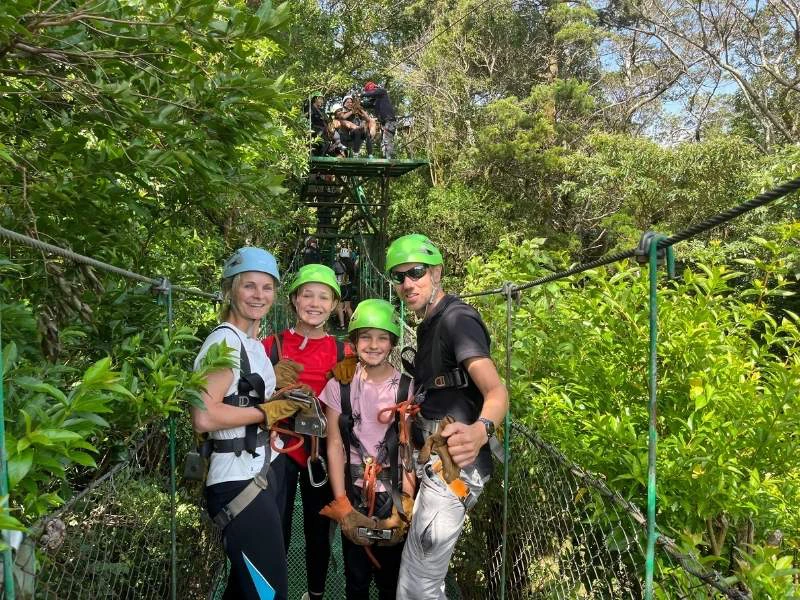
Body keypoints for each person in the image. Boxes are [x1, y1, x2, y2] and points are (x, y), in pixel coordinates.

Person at [385, 234, 509, 600]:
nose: (408, 283)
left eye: (417, 272)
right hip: (437, 464)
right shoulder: (428, 324)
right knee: (424, 583)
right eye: (399, 276)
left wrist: (481, 430)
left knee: (416, 587)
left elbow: (497, 392)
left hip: (457, 467)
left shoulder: (458, 319)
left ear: (437, 272)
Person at [191, 247, 288, 600]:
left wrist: (274, 400)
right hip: (236, 483)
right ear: (230, 290)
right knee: (268, 592)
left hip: (261, 469)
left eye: (267, 288)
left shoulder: (253, 344)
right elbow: (203, 416)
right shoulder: (224, 342)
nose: (259, 295)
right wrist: (266, 413)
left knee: (246, 587)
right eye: (249, 286)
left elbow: (242, 394)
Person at [261, 263, 352, 600]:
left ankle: (314, 594)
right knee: (274, 526)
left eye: (323, 297)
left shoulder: (345, 352)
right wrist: (271, 390)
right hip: (279, 445)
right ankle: (273, 592)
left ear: (334, 305)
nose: (315, 303)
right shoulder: (270, 346)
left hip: (322, 447)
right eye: (307, 295)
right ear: (295, 300)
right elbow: (248, 394)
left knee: (319, 528)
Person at [319, 299, 416, 600]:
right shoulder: (340, 386)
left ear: (392, 344)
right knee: (356, 577)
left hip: (393, 492)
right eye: (365, 337)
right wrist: (342, 503)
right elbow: (334, 443)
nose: (373, 345)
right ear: (354, 341)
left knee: (391, 578)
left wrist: (407, 507)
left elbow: (407, 448)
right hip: (354, 490)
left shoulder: (406, 388)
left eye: (382, 337)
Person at [360, 82, 396, 159]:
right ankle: (387, 158)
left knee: (386, 141)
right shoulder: (376, 100)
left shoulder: (382, 92)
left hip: (389, 121)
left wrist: (362, 94)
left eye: (369, 92)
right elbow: (366, 104)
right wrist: (358, 103)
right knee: (383, 142)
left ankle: (390, 160)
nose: (369, 94)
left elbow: (373, 93)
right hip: (384, 123)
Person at [332, 248, 355, 328]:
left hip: (341, 287)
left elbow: (332, 274)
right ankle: (353, 324)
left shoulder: (336, 264)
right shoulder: (351, 264)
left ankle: (342, 325)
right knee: (348, 307)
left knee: (339, 307)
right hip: (348, 287)